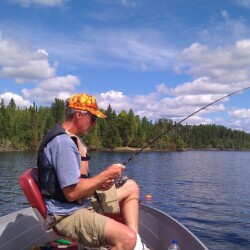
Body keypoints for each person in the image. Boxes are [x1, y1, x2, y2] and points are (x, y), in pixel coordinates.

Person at [37, 93, 149, 250]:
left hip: (78, 202)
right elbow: (72, 193)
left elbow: (75, 186)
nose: (94, 124)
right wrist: (106, 175)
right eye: (93, 118)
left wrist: (100, 183)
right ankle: (130, 243)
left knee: (131, 187)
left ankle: (136, 244)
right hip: (67, 214)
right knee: (126, 240)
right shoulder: (63, 144)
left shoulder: (67, 139)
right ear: (79, 115)